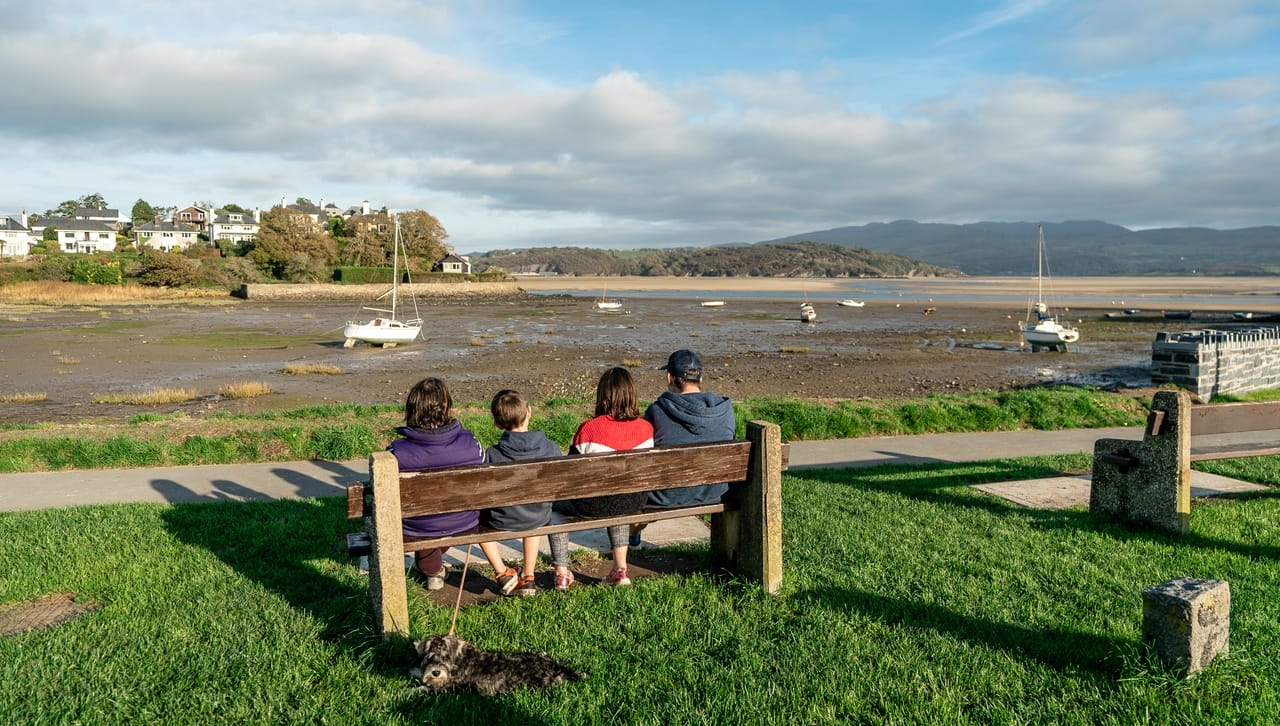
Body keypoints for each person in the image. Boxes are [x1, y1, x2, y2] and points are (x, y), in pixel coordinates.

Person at [548, 367, 654, 589]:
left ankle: (561, 573)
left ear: (602, 396)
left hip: (592, 504)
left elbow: (570, 472)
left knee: (554, 508)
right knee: (620, 498)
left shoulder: (589, 430)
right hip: (634, 501)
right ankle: (621, 569)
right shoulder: (646, 429)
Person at [631, 349, 736, 545]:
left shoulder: (657, 411)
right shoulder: (725, 410)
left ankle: (632, 534)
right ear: (700, 378)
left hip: (665, 497)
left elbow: (642, 453)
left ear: (669, 377)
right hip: (718, 492)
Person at [389, 377, 484, 591]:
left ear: (411, 409)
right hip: (463, 520)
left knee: (428, 520)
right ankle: (433, 569)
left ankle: (433, 571)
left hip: (416, 526)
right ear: (447, 407)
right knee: (440, 515)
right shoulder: (471, 442)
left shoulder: (397, 453)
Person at [477, 389, 563, 597]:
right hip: (539, 515)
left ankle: (501, 572)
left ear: (497, 424)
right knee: (532, 510)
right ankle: (529, 576)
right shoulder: (551, 448)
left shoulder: (493, 453)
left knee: (473, 521)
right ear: (529, 412)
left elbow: (483, 492)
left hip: (502, 519)